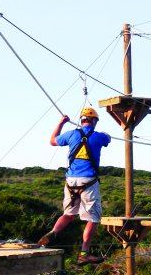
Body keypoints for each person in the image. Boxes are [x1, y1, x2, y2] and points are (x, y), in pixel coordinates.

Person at [38, 107, 111, 265]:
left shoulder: (71, 134)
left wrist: (61, 122)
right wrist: (105, 135)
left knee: (68, 214)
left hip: (71, 181)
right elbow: (108, 139)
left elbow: (52, 140)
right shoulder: (98, 137)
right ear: (93, 121)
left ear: (82, 120)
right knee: (92, 218)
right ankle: (84, 253)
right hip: (88, 182)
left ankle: (53, 232)